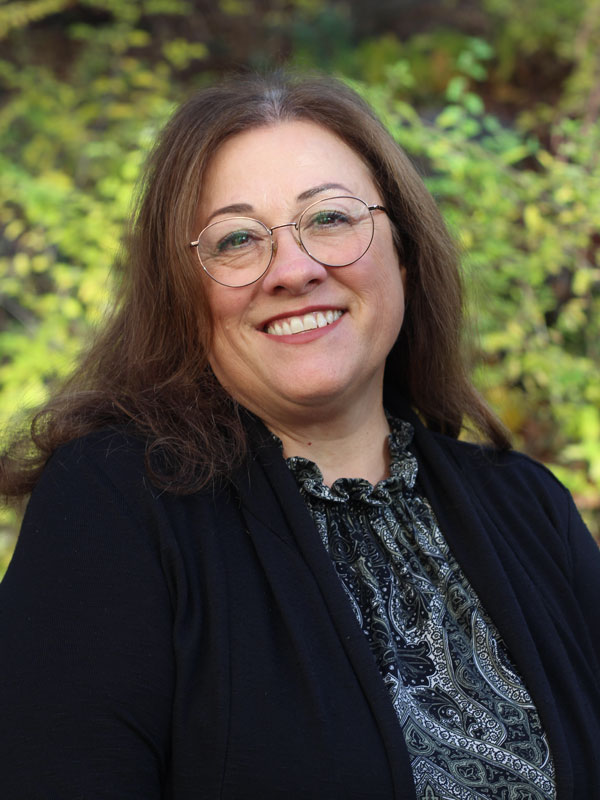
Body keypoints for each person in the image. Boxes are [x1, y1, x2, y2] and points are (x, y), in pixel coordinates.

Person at [0, 72, 598, 800]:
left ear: (404, 251)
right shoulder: (114, 505)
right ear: (183, 294)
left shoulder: (529, 505)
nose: (295, 269)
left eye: (330, 220)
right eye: (237, 239)